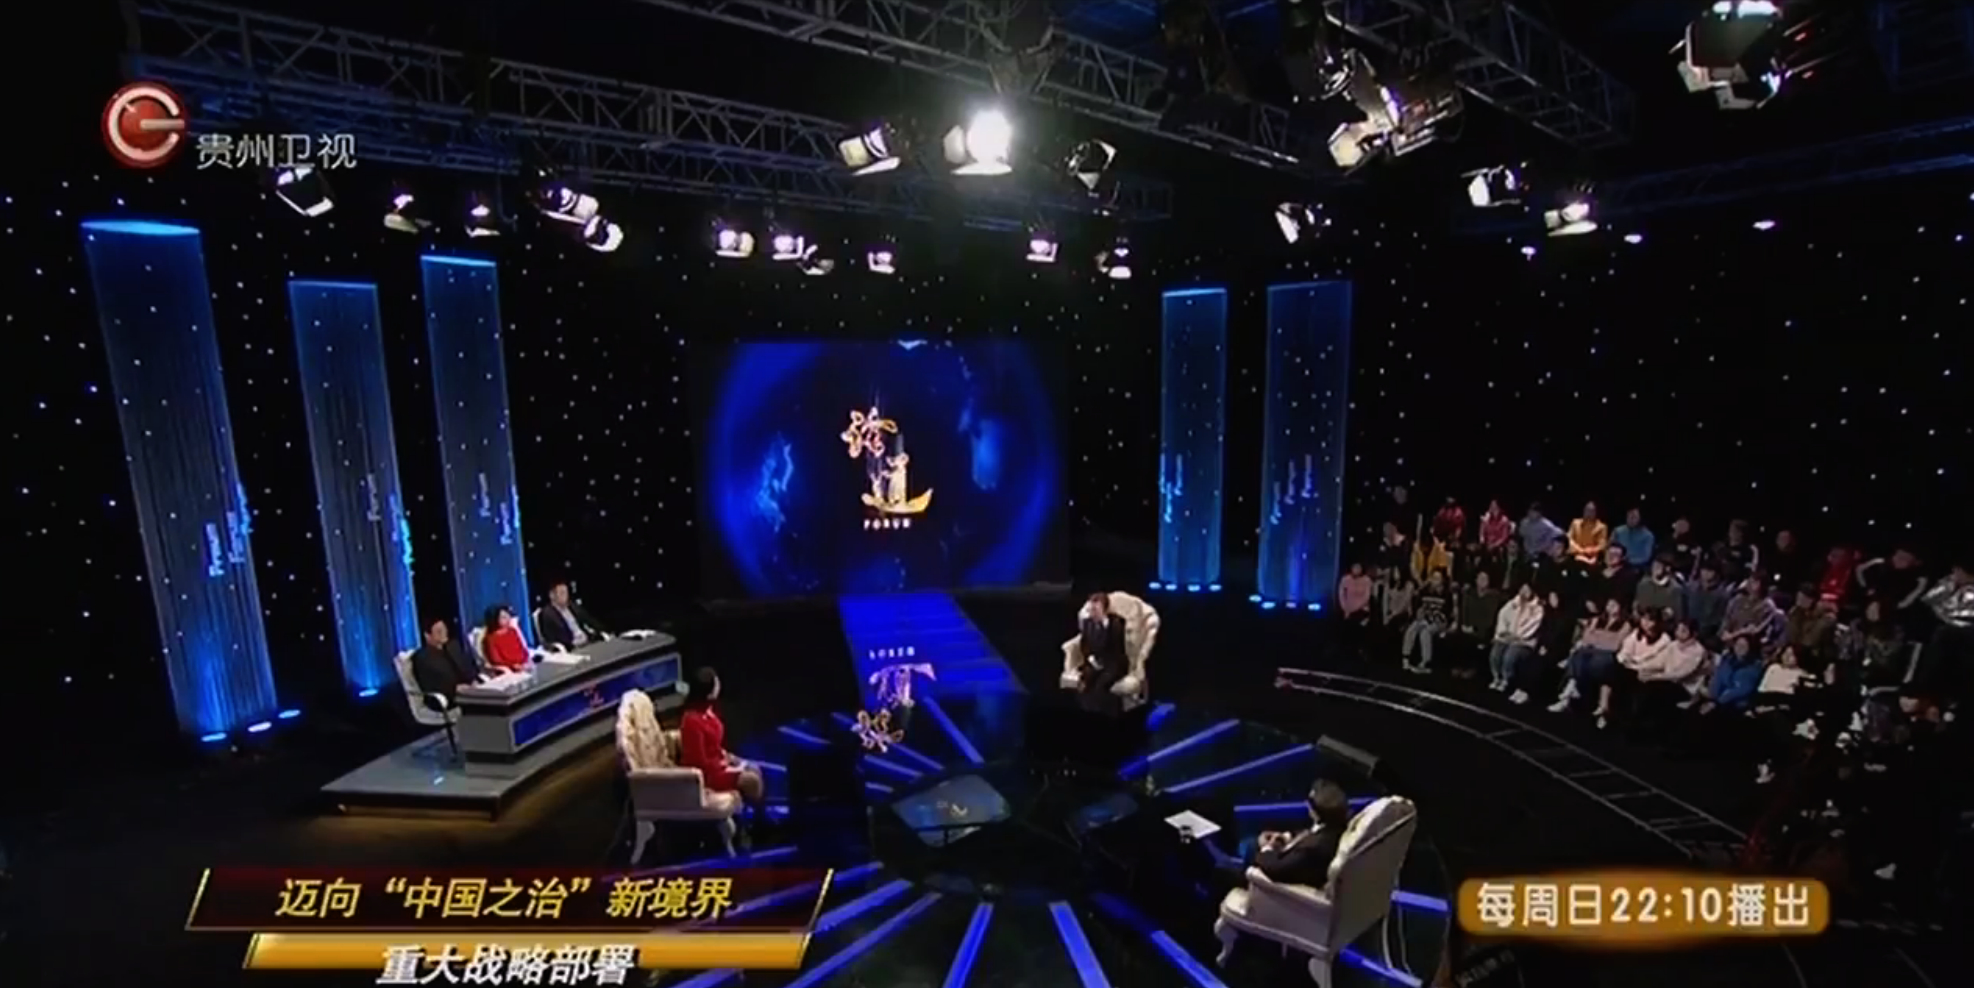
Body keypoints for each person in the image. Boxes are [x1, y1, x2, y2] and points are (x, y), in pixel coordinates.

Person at [1211, 779, 1353, 890]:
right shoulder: (1337, 827)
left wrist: (1267, 848)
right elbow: (1311, 833)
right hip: (1290, 857)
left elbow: (1276, 868)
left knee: (1220, 870)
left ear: (1315, 812)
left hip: (1271, 879)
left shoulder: (1312, 849)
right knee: (1249, 843)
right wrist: (1285, 837)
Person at [678, 667, 767, 808]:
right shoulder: (691, 721)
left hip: (718, 764)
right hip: (708, 775)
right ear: (708, 692)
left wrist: (729, 758)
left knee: (754, 768)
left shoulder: (708, 710)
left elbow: (714, 746)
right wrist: (724, 765)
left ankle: (752, 813)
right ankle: (755, 817)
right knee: (752, 781)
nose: (719, 685)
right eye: (716, 683)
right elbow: (698, 761)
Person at [1549, 599, 1630, 714]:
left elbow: (1614, 644)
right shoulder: (1597, 620)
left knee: (1589, 659)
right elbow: (1586, 638)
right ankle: (1571, 688)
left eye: (1614, 605)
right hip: (1590, 651)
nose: (1610, 607)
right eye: (1609, 604)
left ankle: (1572, 688)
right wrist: (1605, 637)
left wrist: (1597, 637)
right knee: (1579, 654)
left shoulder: (1625, 625)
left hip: (1607, 655)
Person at [1912, 561, 1973, 705]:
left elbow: (1962, 617)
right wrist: (1950, 587)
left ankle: (1932, 692)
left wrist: (1942, 615)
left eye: (1958, 571)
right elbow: (1927, 601)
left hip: (1962, 632)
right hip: (1940, 624)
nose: (1954, 574)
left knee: (1944, 635)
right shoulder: (1948, 582)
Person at [1071, 593, 1131, 715]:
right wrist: (1091, 660)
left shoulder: (1117, 624)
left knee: (1101, 686)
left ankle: (1107, 713)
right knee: (1085, 684)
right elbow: (1085, 646)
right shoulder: (1087, 623)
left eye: (1096, 609)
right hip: (1094, 662)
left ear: (1105, 610)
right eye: (1091, 609)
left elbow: (1117, 649)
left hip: (1113, 663)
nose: (1092, 613)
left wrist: (1103, 663)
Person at [410, 617, 483, 703]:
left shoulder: (453, 646)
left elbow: (468, 666)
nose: (444, 633)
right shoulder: (422, 657)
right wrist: (454, 688)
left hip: (469, 690)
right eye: (439, 631)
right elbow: (429, 684)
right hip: (449, 698)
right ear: (427, 636)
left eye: (444, 629)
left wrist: (473, 679)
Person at [1488, 584, 1543, 693]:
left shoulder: (1537, 608)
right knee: (1496, 652)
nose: (1524, 592)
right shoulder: (1512, 603)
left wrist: (1517, 636)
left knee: (1510, 656)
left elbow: (1531, 626)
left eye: (1527, 590)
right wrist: (1503, 632)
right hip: (1507, 637)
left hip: (1524, 641)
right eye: (1522, 589)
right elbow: (1502, 617)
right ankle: (1496, 677)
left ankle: (1506, 680)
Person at [1453, 570, 1506, 680]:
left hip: (1484, 629)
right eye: (1480, 578)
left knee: (1473, 639)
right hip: (1467, 626)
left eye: (1485, 579)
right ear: (1476, 580)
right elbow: (1464, 612)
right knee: (1459, 636)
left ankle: (1471, 668)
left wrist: (1474, 628)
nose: (1482, 581)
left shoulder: (1493, 597)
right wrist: (1464, 625)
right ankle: (1459, 666)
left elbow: (1489, 618)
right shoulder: (1469, 594)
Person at [1699, 635, 1766, 715]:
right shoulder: (1727, 659)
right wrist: (1712, 697)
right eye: (1737, 644)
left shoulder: (1754, 667)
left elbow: (1740, 690)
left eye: (1743, 646)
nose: (1739, 648)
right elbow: (1718, 677)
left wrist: (1718, 702)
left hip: (1736, 705)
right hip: (1716, 699)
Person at [1402, 571, 1452, 673]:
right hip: (1424, 619)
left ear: (1442, 580)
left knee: (1425, 632)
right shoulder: (1424, 591)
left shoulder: (1447, 594)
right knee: (1412, 628)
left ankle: (1426, 662)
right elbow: (1418, 609)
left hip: (1439, 621)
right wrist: (1420, 614)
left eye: (1437, 578)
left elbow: (1446, 614)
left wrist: (1432, 618)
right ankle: (1406, 657)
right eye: (1433, 578)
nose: (1435, 581)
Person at [536, 580, 608, 651]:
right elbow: (549, 639)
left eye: (566, 592)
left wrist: (603, 631)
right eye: (562, 593)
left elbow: (590, 620)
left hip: (587, 641)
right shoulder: (547, 614)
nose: (566, 596)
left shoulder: (572, 606)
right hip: (572, 649)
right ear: (552, 595)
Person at [1721, 578, 1785, 652]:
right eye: (1750, 581)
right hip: (1730, 646)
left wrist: (1732, 635)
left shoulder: (1767, 605)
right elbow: (1727, 619)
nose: (1750, 584)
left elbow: (1754, 630)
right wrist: (1725, 632)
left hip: (1752, 648)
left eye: (1755, 582)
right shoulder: (1738, 600)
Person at [1682, 563, 1730, 644]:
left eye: (1710, 571)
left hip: (1707, 635)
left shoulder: (1721, 595)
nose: (1706, 573)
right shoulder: (1691, 588)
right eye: (1703, 570)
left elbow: (1718, 619)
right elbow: (1684, 608)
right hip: (1687, 629)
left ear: (1716, 573)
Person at [480, 605, 532, 672]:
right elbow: (497, 660)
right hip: (508, 670)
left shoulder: (512, 631)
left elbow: (522, 649)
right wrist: (513, 666)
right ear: (495, 619)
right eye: (503, 617)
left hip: (524, 665)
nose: (508, 618)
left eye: (508, 615)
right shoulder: (490, 639)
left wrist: (527, 660)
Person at [1633, 556, 1684, 624]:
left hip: (1663, 625)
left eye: (1658, 566)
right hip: (1642, 623)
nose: (1655, 568)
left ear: (1667, 568)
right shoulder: (1643, 584)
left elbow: (1676, 615)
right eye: (1654, 565)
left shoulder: (1675, 589)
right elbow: (1637, 605)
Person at [1591, 545, 1638, 613]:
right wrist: (1588, 600)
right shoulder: (1596, 570)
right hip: (1593, 609)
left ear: (1622, 558)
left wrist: (1616, 601)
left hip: (1616, 611)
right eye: (1608, 553)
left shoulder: (1628, 575)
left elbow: (1624, 595)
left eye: (1615, 554)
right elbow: (1589, 589)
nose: (1610, 557)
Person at [1610, 508, 1655, 572]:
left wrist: (1627, 561)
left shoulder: (1648, 536)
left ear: (1640, 518)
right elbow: (1609, 549)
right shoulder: (1617, 531)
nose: (1631, 519)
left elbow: (1646, 557)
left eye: (1634, 517)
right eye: (1629, 516)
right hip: (1615, 566)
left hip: (1636, 569)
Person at [1567, 502, 1609, 566]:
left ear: (1596, 513)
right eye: (1587, 510)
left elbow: (1602, 544)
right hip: (1575, 554)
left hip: (1591, 557)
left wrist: (1591, 550)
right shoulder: (1575, 523)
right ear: (1584, 511)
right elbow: (1569, 538)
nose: (1589, 513)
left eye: (1592, 511)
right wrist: (1580, 550)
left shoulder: (1601, 527)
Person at [1768, 530, 1809, 594]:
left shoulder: (1801, 560)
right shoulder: (1772, 559)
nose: (1784, 542)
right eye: (1781, 539)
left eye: (1786, 539)